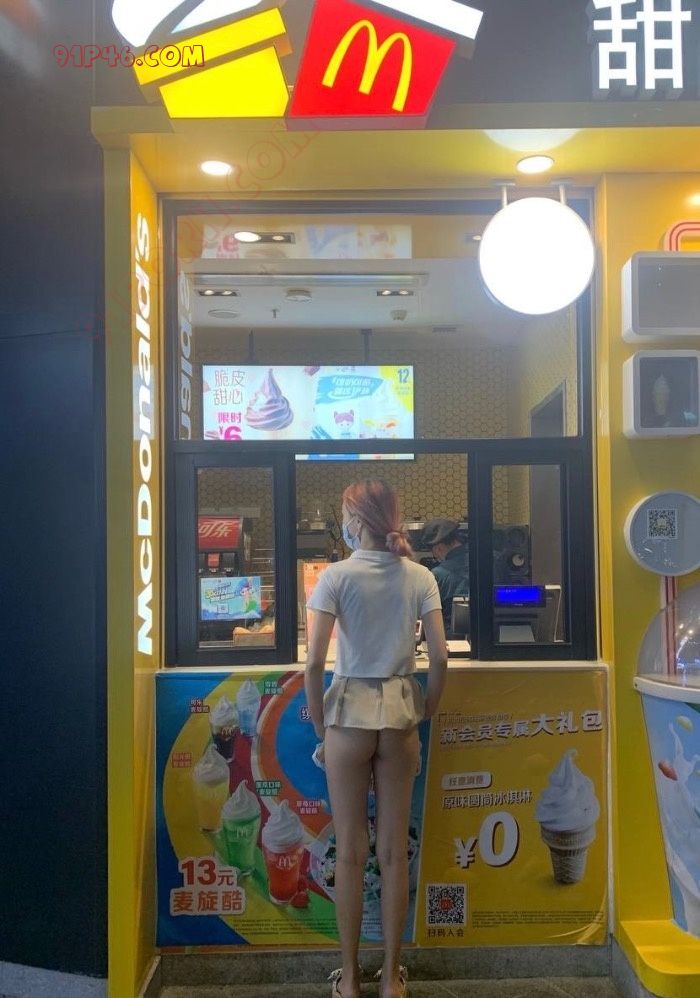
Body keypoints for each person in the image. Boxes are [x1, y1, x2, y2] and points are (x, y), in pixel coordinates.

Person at [305, 481, 448, 998]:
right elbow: (441, 656)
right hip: (399, 715)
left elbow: (314, 662)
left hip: (349, 714)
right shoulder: (419, 576)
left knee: (348, 852)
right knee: (393, 853)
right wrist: (426, 709)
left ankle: (349, 980)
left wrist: (321, 727)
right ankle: (391, 978)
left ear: (355, 521)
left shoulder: (335, 577)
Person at [420, 519, 470, 636]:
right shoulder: (494, 558)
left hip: (453, 640)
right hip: (493, 638)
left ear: (439, 548)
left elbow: (429, 617)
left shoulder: (438, 574)